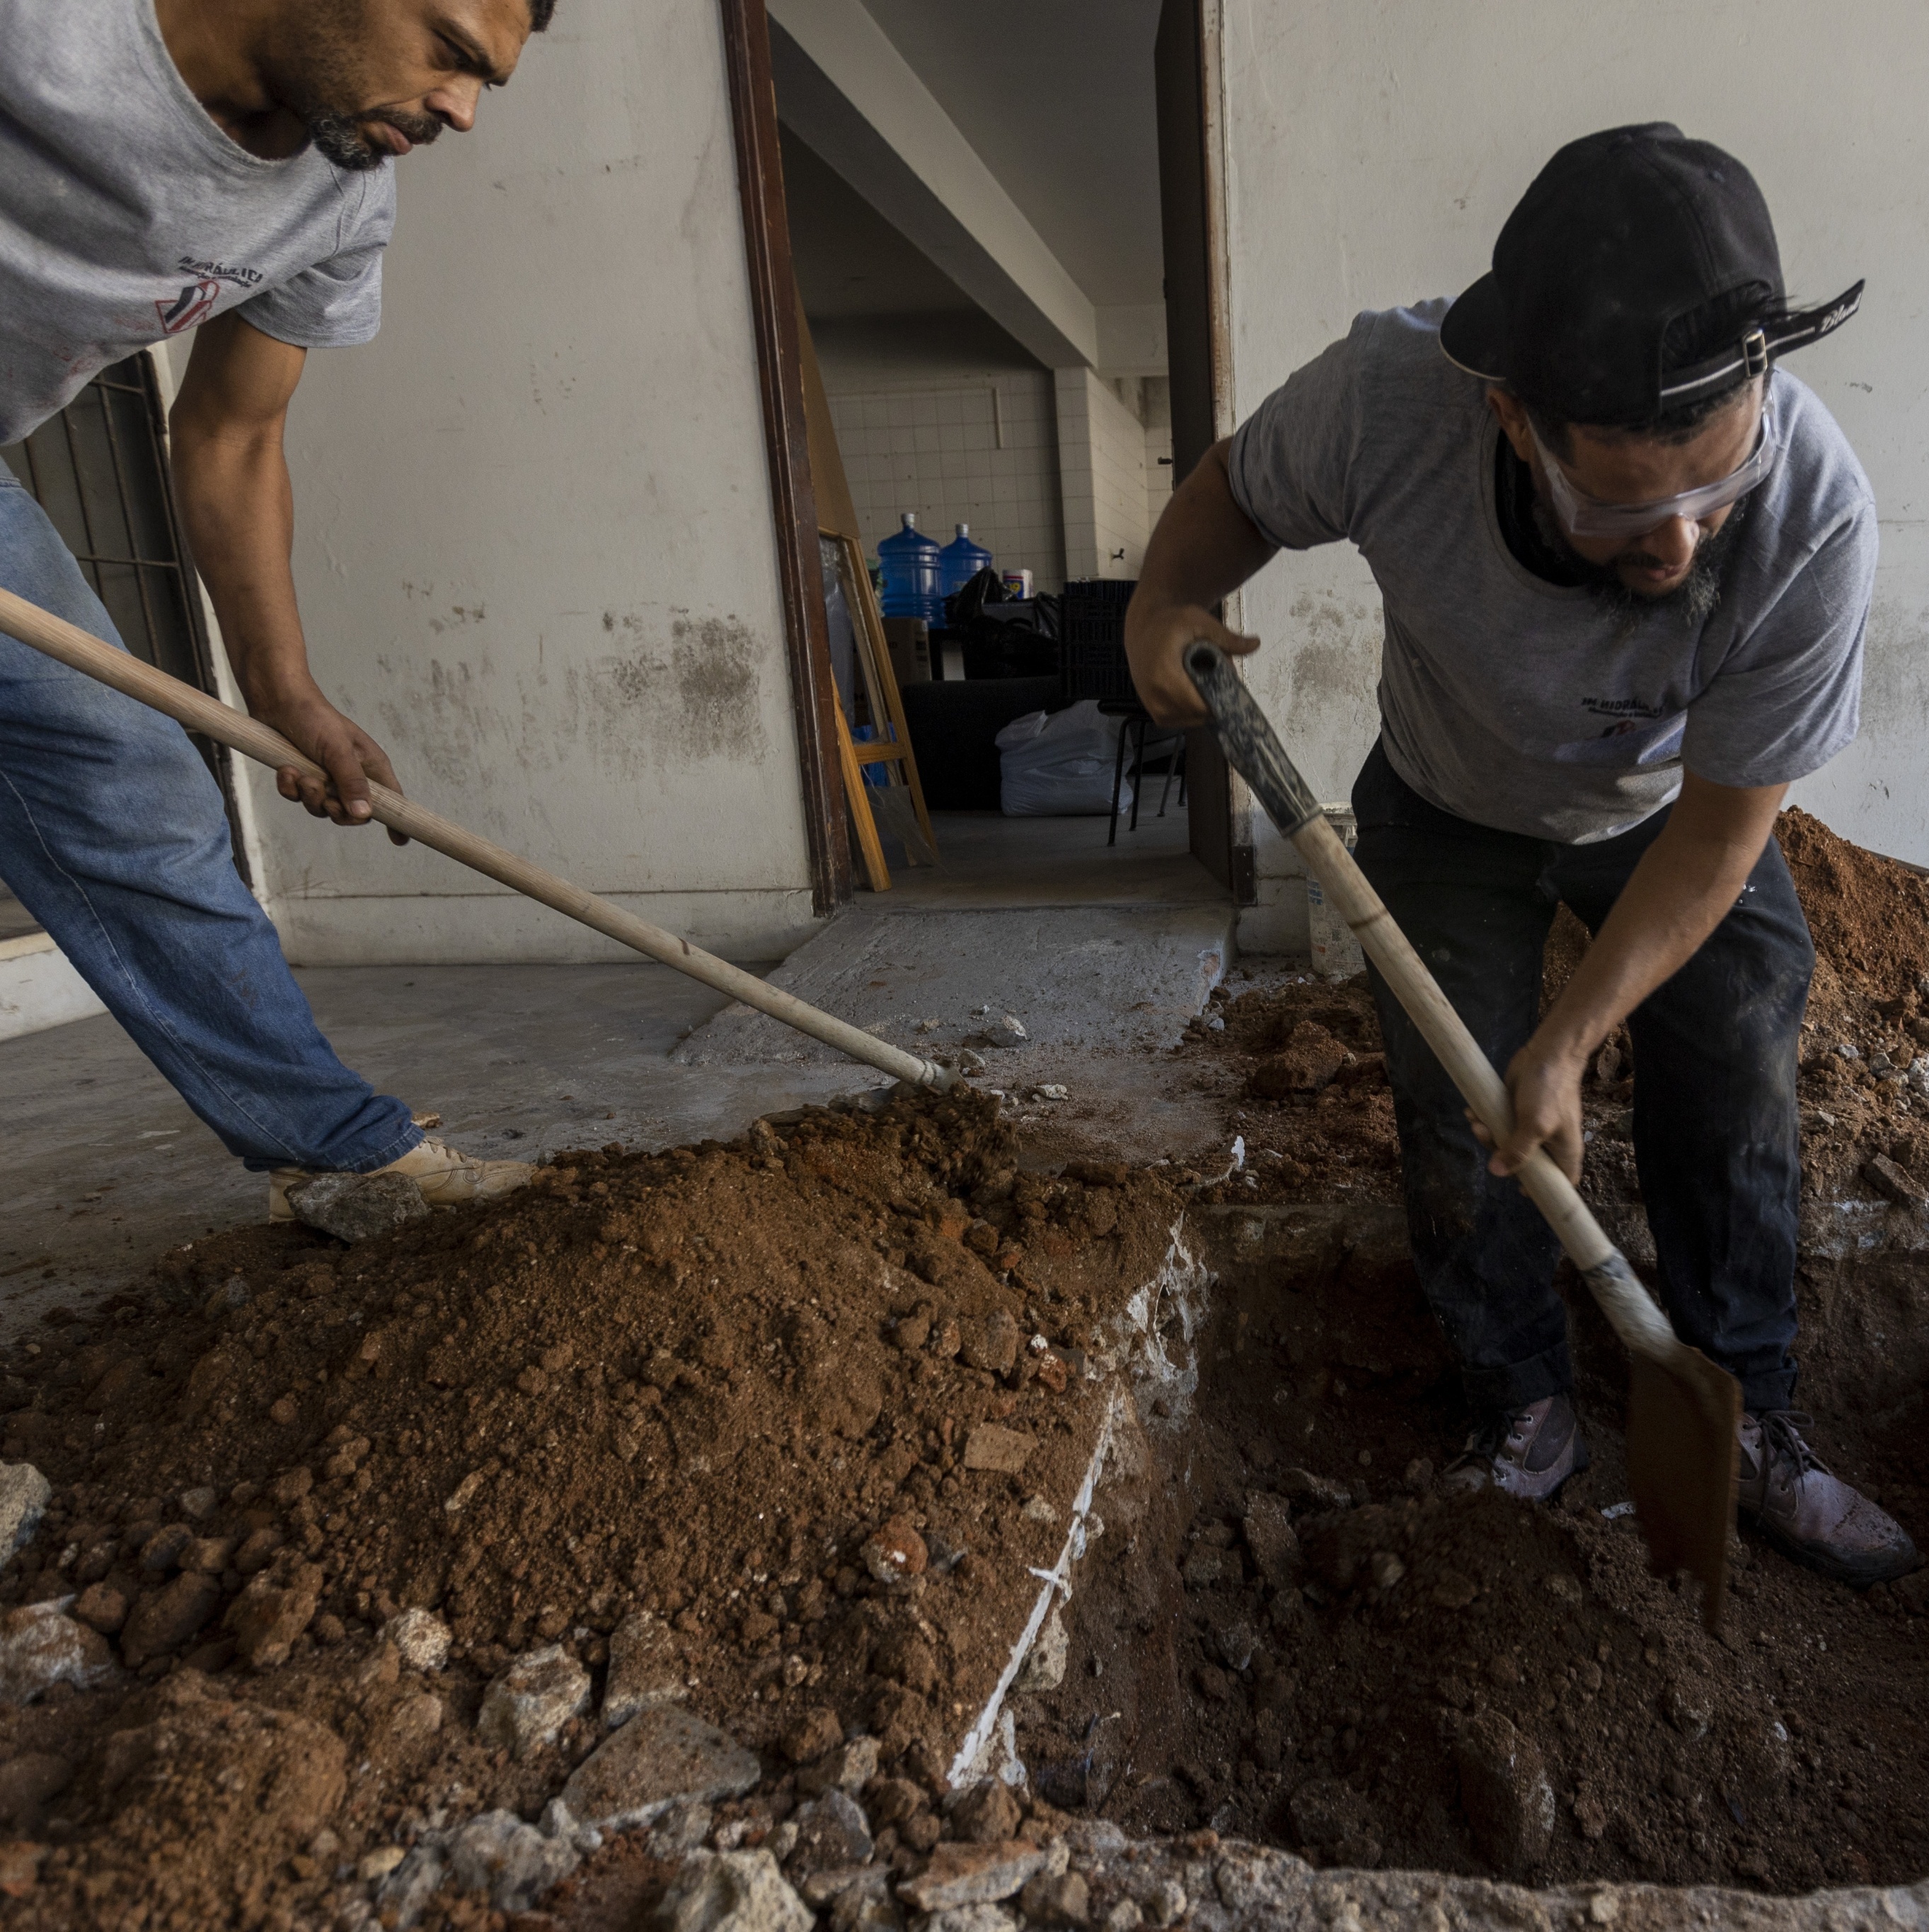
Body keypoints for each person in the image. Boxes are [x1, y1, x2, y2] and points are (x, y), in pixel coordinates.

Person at [1125, 124, 1918, 1587]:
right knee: (1456, 1104)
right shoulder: (1387, 399)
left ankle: (1747, 1404)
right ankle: (1520, 1396)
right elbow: (1235, 496)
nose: (1676, 546)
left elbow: (1729, 827)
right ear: (1511, 416)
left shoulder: (1812, 511)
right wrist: (1163, 598)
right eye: (1624, 505)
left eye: (1709, 492)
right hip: (1444, 802)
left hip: (1663, 820)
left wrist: (1574, 1036)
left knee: (1737, 1045)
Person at [1, 0, 550, 1218]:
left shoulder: (341, 197)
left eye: (485, 84)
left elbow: (233, 436)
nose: (458, 107)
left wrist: (285, 691)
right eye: (452, 52)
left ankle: (338, 1155)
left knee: (125, 779)